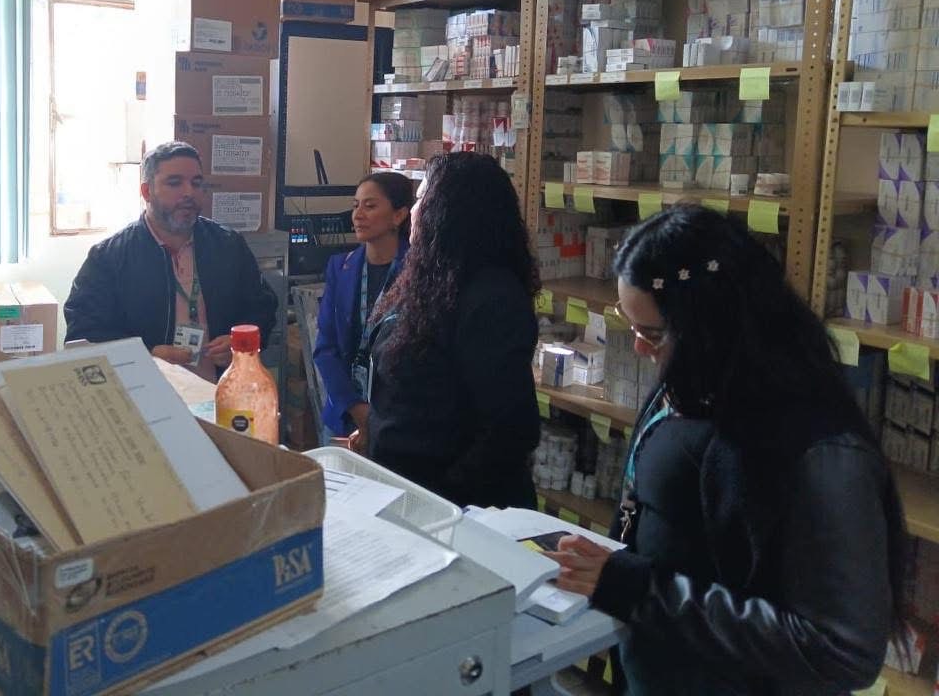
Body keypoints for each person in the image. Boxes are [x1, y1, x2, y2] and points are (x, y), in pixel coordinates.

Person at [546, 205, 907, 696]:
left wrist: (639, 589)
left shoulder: (821, 451)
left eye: (653, 333)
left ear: (712, 324)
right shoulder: (690, 382)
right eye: (630, 326)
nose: (639, 348)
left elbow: (840, 650)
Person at [362, 151, 541, 508]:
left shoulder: (493, 298)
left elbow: (510, 429)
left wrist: (443, 497)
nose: (414, 212)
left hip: (453, 508)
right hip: (404, 488)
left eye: (422, 200)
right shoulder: (431, 279)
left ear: (449, 213)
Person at [63, 141, 278, 380]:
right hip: (147, 389)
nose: (189, 193)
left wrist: (240, 343)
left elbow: (263, 309)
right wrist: (147, 355)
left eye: (196, 183)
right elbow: (84, 334)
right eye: (175, 183)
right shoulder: (108, 258)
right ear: (147, 192)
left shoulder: (228, 246)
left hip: (220, 390)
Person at [313, 172, 412, 439]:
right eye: (355, 205)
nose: (357, 215)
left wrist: (376, 416)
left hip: (397, 417)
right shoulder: (340, 267)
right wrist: (355, 408)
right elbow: (325, 347)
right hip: (344, 414)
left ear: (398, 215)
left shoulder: (419, 270)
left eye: (370, 206)